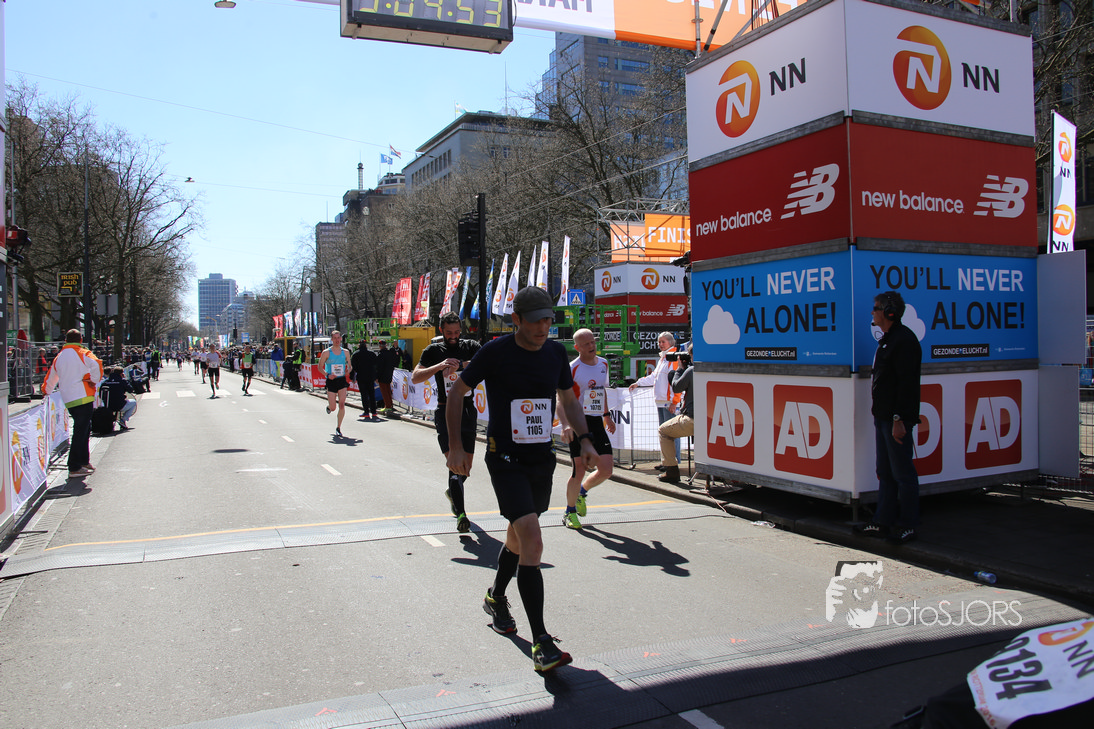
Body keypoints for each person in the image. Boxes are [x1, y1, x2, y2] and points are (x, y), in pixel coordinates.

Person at [447, 286, 599, 673]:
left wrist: (584, 439)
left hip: (540, 460)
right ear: (516, 320)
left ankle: (495, 597)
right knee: (533, 540)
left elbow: (568, 399)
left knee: (517, 538)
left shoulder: (555, 353)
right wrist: (456, 447)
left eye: (547, 320)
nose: (543, 327)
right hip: (505, 459)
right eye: (535, 321)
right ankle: (542, 643)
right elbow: (457, 392)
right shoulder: (495, 352)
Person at [855, 291, 922, 544]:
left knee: (903, 473)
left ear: (889, 312)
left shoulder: (904, 341)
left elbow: (906, 385)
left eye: (876, 308)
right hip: (882, 417)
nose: (872, 312)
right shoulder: (888, 339)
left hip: (895, 419)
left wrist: (898, 419)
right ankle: (883, 521)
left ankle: (908, 525)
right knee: (885, 471)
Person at [412, 312, 481, 533]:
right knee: (455, 463)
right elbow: (415, 377)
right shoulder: (433, 351)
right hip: (444, 409)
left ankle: (453, 492)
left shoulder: (470, 346)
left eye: (457, 332)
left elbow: (486, 364)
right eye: (449, 332)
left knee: (466, 467)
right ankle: (461, 514)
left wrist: (461, 364)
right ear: (441, 330)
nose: (453, 336)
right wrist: (439, 366)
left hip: (467, 409)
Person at [557, 328, 615, 530]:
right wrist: (565, 424)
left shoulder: (603, 364)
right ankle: (569, 511)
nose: (591, 346)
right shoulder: (572, 368)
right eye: (586, 344)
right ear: (577, 347)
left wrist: (606, 415)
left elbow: (601, 391)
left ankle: (582, 492)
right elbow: (561, 400)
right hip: (577, 422)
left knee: (606, 470)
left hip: (596, 421)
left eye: (593, 342)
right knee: (579, 469)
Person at [42, 329, 103, 478]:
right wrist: (94, 380)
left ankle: (83, 461)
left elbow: (51, 377)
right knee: (81, 431)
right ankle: (74, 466)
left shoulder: (59, 356)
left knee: (83, 429)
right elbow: (97, 364)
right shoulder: (83, 352)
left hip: (68, 398)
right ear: (81, 339)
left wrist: (46, 391)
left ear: (66, 340)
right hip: (83, 395)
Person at [628, 332, 682, 467]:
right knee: (664, 434)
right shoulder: (663, 358)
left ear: (671, 342)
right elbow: (653, 377)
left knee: (671, 433)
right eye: (659, 342)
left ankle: (674, 462)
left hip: (668, 402)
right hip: (661, 402)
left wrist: (674, 402)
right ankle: (667, 462)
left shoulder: (674, 358)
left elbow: (676, 382)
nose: (660, 344)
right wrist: (638, 383)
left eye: (663, 342)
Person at [656, 343, 694, 484]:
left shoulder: (691, 371)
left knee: (663, 431)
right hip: (712, 420)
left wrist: (679, 369)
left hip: (692, 418)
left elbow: (677, 387)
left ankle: (671, 470)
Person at [318, 330, 352, 437]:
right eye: (335, 338)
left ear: (341, 339)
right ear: (332, 339)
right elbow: (320, 367)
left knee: (341, 404)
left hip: (341, 380)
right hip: (331, 380)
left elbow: (350, 366)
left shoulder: (345, 352)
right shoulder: (326, 352)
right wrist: (327, 375)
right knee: (333, 407)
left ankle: (338, 427)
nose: (337, 340)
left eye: (338, 338)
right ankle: (329, 407)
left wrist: (348, 370)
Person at [351, 340, 378, 420]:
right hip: (370, 377)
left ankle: (366, 412)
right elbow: (376, 366)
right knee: (372, 395)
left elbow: (353, 367)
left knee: (364, 395)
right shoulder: (372, 354)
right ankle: (374, 412)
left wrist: (352, 377)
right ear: (366, 345)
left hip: (361, 377)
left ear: (359, 345)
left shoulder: (355, 355)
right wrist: (376, 377)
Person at [376, 340, 399, 414]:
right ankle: (390, 404)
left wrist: (377, 376)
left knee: (384, 391)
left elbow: (379, 367)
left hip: (382, 375)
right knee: (388, 390)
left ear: (380, 346)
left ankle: (387, 406)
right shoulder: (390, 353)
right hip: (389, 374)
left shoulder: (380, 355)